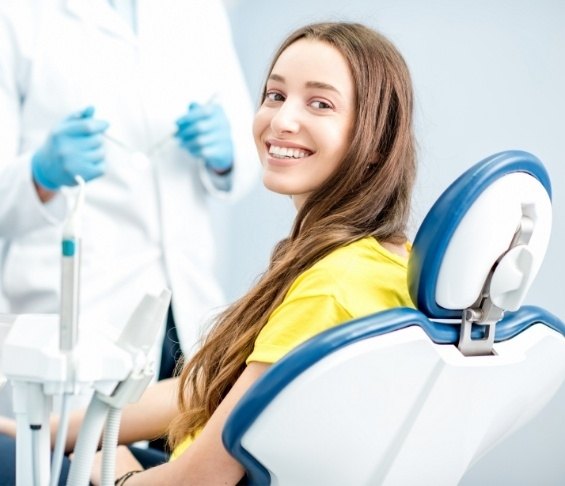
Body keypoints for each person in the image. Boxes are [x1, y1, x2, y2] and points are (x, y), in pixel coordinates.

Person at [0, 21, 416, 485]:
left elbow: (202, 479)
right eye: (274, 96)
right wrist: (44, 432)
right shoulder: (376, 259)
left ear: (377, 139)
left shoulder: (332, 286)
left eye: (319, 103)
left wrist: (120, 476)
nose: (280, 120)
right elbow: (211, 385)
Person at [0, 0, 258, 388]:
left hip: (186, 307)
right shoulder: (17, 14)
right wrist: (40, 173)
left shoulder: (201, 10)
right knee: (77, 446)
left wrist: (227, 154)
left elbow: (249, 145)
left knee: (182, 437)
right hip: (77, 311)